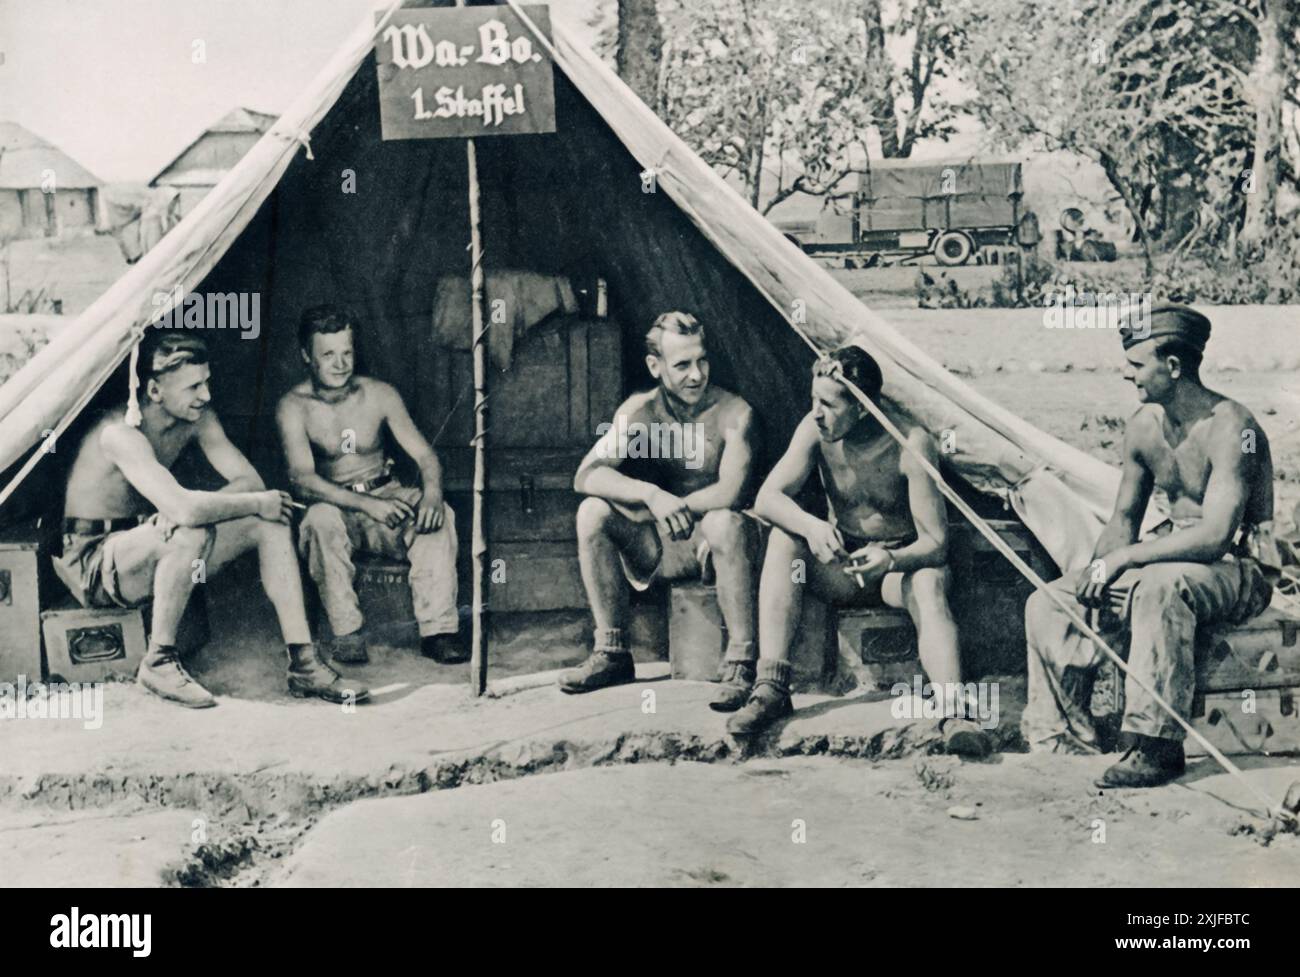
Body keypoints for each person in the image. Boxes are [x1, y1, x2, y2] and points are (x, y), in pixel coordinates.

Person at [1023, 305, 1274, 787]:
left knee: (1159, 587)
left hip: (1237, 569)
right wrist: (1097, 573)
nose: (1127, 373)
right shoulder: (1143, 426)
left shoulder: (1233, 428)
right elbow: (1122, 520)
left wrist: (1125, 559)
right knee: (1049, 603)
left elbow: (1217, 535)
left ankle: (1157, 745)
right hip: (1169, 559)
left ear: (1174, 367)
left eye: (1137, 365)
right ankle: (1064, 734)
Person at [54, 330, 365, 708]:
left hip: (145, 542)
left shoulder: (196, 418)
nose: (206, 395)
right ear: (154, 391)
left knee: (270, 521)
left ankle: (303, 663)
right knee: (191, 531)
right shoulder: (119, 434)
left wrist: (212, 504)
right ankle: (158, 662)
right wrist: (188, 508)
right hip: (93, 559)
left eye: (206, 383)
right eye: (193, 387)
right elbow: (187, 512)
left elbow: (249, 481)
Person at [726, 345, 990, 756]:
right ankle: (771, 687)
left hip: (896, 571)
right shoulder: (816, 430)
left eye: (829, 405)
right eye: (814, 400)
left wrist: (892, 559)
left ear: (864, 408)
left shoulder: (910, 444)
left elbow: (936, 544)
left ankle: (955, 712)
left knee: (929, 583)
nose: (817, 412)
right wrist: (812, 526)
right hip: (843, 567)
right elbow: (767, 499)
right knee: (784, 537)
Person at [559, 311, 760, 707]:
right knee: (592, 513)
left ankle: (741, 660)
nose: (696, 375)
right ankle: (612, 652)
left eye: (702, 360)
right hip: (664, 541)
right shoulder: (640, 410)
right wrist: (652, 495)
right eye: (682, 364)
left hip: (716, 542)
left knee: (724, 523)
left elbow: (732, 492)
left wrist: (674, 505)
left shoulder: (735, 413)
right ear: (655, 366)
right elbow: (587, 475)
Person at [277, 305, 465, 664]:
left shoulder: (379, 394)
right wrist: (365, 505)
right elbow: (302, 480)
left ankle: (439, 631)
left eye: (347, 352)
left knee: (440, 518)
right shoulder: (293, 406)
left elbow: (426, 457)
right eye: (328, 355)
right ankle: (347, 633)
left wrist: (432, 495)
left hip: (386, 495)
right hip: (336, 508)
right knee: (319, 521)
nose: (340, 363)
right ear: (306, 356)